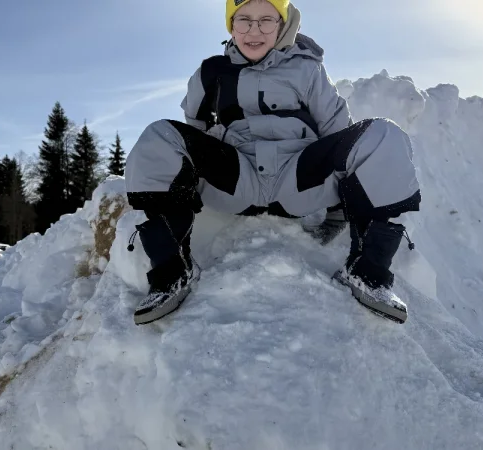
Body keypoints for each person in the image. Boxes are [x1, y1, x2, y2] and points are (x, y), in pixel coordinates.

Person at [125, 0, 421, 325]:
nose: (254, 30)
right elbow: (193, 132)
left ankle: (369, 273)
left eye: (266, 20)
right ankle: (171, 273)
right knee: (160, 135)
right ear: (231, 25)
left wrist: (338, 205)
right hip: (238, 178)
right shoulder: (211, 73)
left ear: (283, 24)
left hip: (298, 178)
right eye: (244, 20)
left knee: (382, 133)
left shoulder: (307, 69)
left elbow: (338, 132)